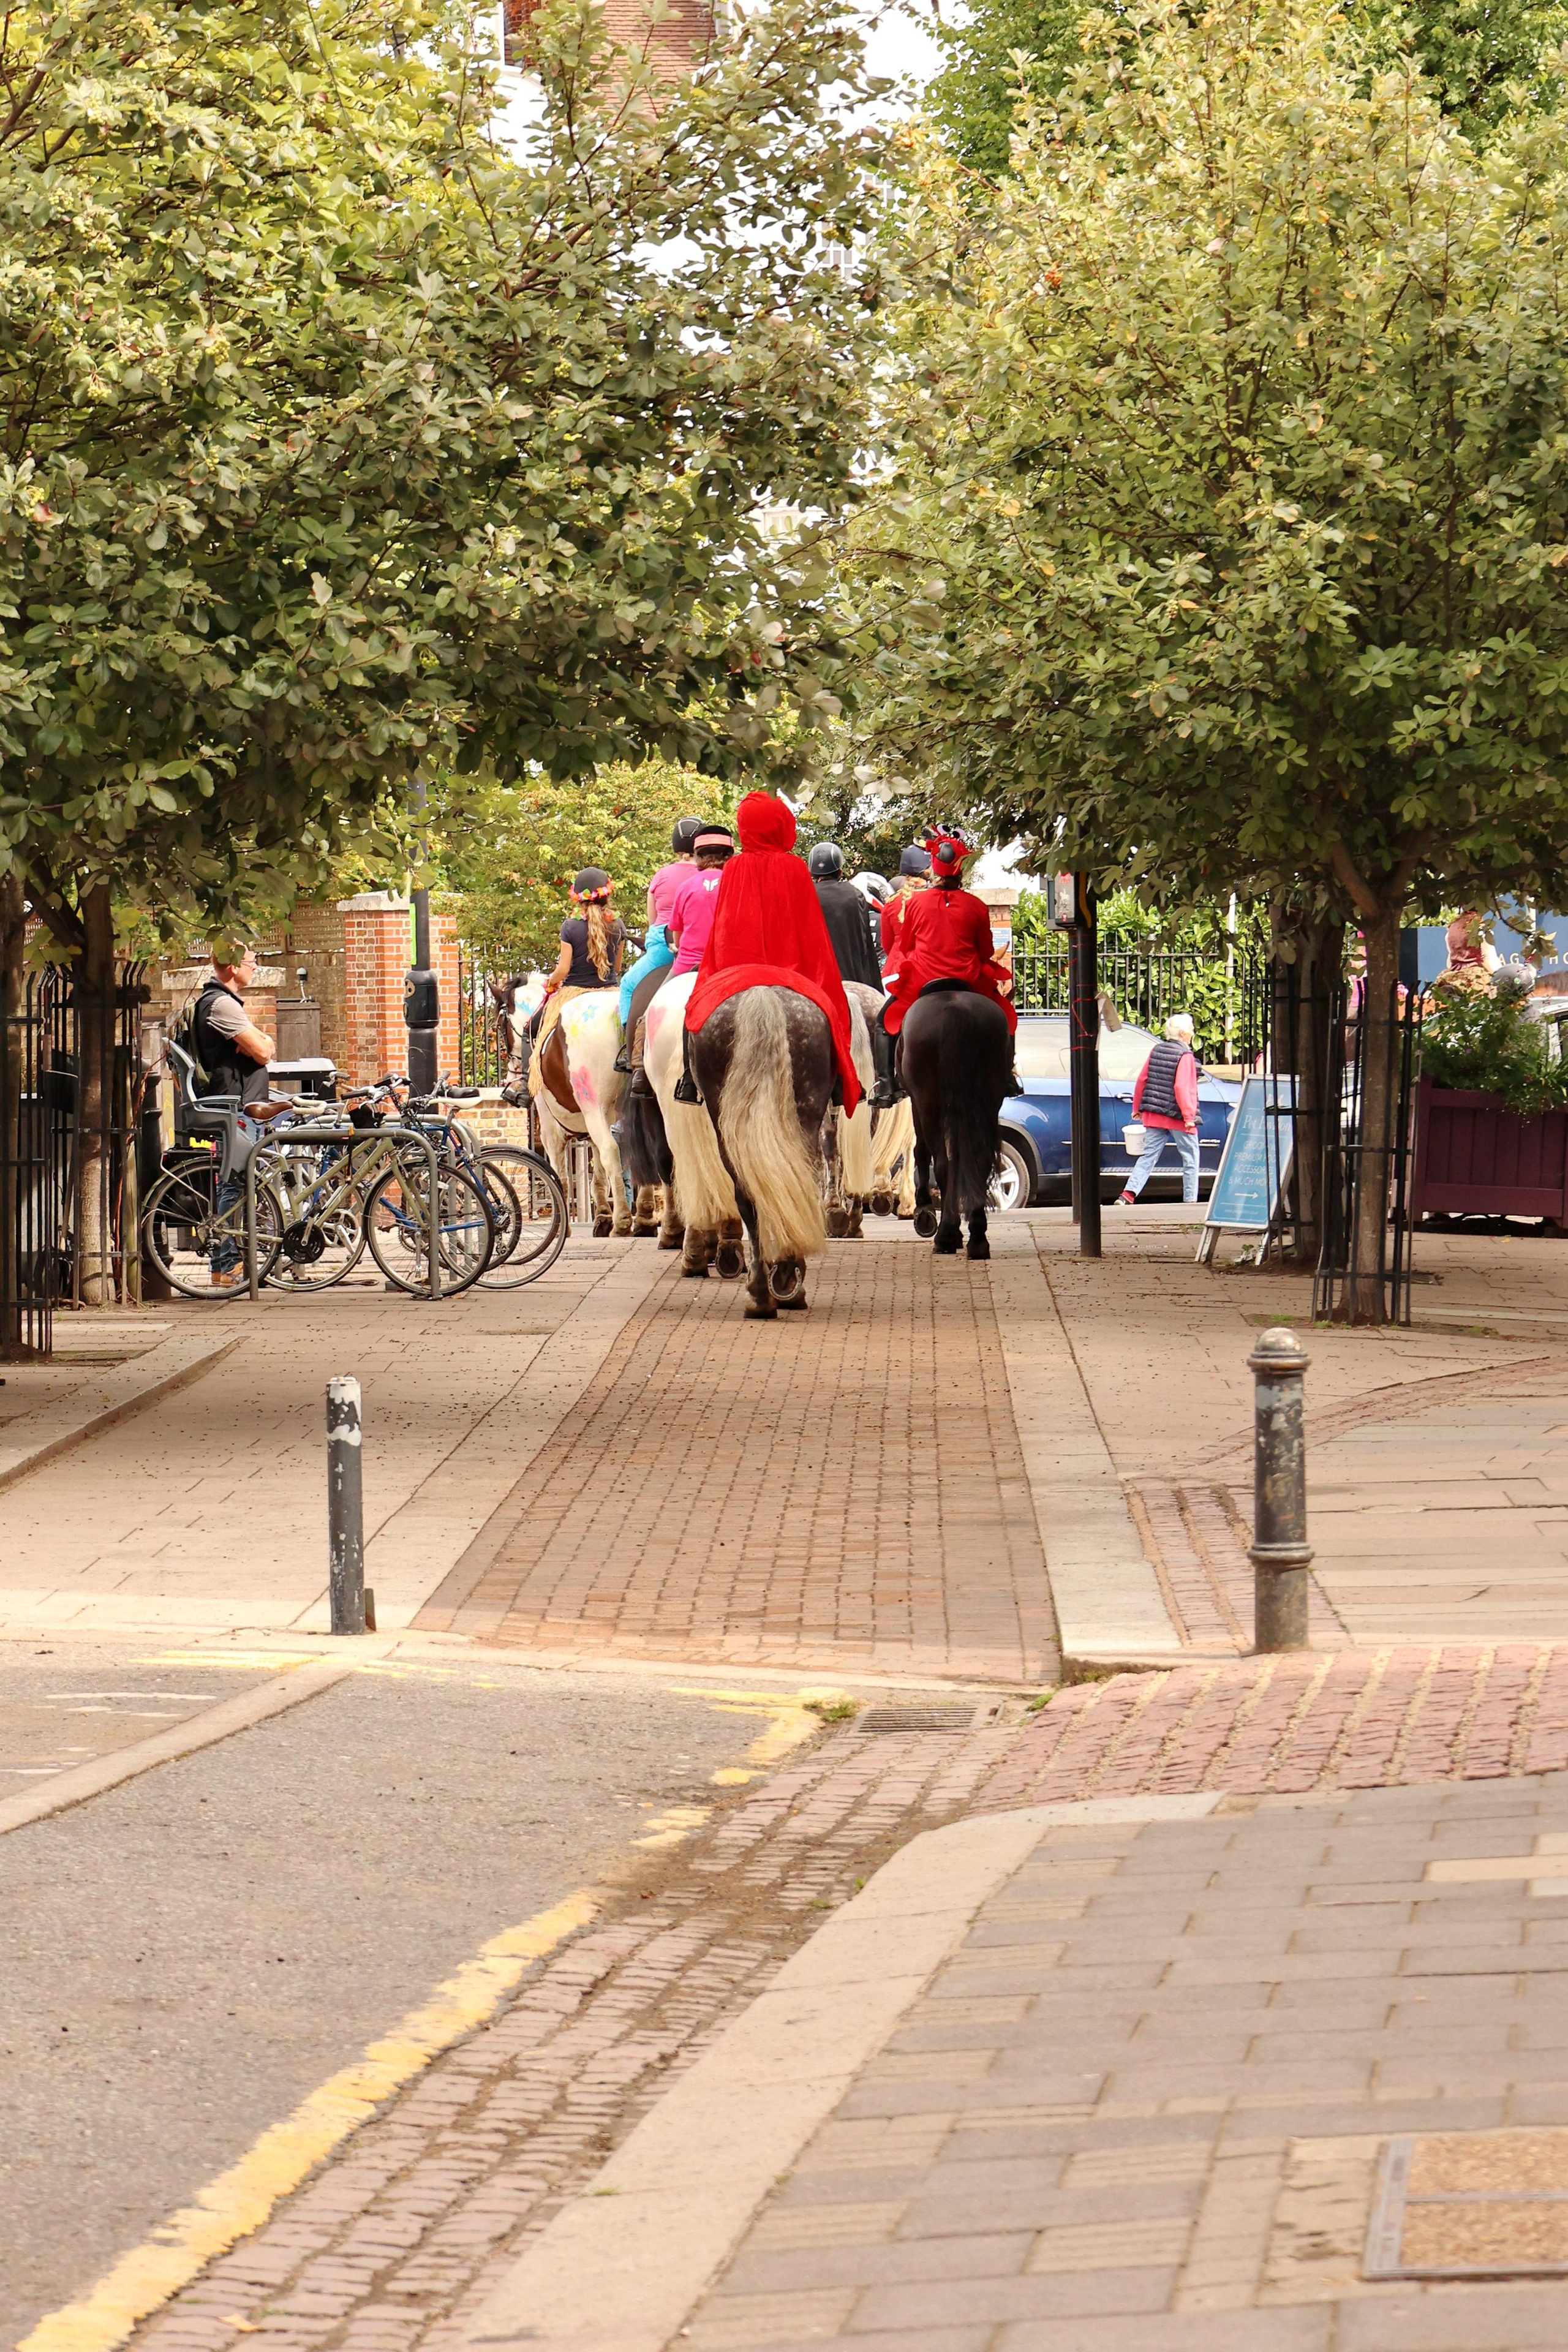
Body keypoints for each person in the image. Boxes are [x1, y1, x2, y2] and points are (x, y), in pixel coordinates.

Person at [679, 794, 862, 1113]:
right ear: (782, 826)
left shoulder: (734, 868)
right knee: (837, 1010)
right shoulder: (794, 868)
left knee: (692, 1012)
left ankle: (689, 1079)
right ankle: (835, 1083)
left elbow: (723, 932)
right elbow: (811, 934)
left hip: (738, 972)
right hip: (792, 973)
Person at [190, 946, 277, 1290]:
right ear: (231, 967)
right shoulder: (221, 1004)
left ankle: (228, 1263)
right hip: (238, 1106)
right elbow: (264, 1051)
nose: (255, 968)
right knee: (233, 1182)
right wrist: (260, 1043)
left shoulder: (225, 1001)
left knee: (236, 1183)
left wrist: (260, 1041)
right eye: (250, 963)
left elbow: (262, 1044)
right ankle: (227, 1264)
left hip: (242, 1103)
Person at [879, 827, 1017, 1042]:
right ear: (961, 872)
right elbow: (986, 951)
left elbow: (906, 946)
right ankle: (1006, 1073)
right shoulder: (977, 906)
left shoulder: (915, 903)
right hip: (968, 978)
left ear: (933, 870)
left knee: (884, 1021)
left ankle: (886, 1077)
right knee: (1004, 1017)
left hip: (923, 979)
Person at [529, 870, 625, 1104]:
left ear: (579, 899)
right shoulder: (618, 924)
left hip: (575, 992)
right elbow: (619, 966)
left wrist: (550, 982)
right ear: (607, 896)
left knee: (533, 1028)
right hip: (611, 991)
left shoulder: (570, 926)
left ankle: (524, 1083)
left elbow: (562, 971)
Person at [617, 816, 705, 1033]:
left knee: (628, 985)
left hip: (664, 948)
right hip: (702, 946)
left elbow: (653, 922)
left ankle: (629, 1050)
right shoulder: (709, 875)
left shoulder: (661, 875)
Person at [1118, 1014, 1201, 1205]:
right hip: (1178, 1117)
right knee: (1190, 1157)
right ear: (1183, 1033)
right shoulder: (1185, 1056)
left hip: (1154, 1114)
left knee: (1149, 1155)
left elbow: (1142, 1079)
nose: (1193, 1033)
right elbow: (1182, 1087)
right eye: (1191, 1030)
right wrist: (1189, 1117)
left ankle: (1128, 1193)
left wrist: (1137, 1107)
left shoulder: (1156, 1050)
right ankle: (1190, 1201)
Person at [808, 842, 883, 990]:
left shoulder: (805, 894)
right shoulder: (856, 895)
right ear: (840, 871)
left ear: (813, 873)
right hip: (853, 979)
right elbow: (865, 942)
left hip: (816, 980)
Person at [880, 845, 931, 959]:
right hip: (925, 967)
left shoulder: (891, 902)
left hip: (895, 969)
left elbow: (887, 945)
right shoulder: (936, 901)